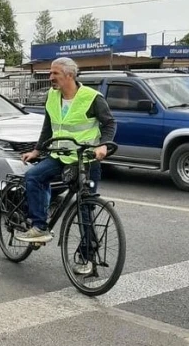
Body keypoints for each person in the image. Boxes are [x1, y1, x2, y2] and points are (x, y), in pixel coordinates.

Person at [17, 57, 116, 273]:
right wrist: (37, 150)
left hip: (86, 159)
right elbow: (48, 127)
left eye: (55, 74)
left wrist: (103, 146)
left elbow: (109, 124)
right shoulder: (52, 96)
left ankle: (87, 257)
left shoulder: (91, 98)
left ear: (69, 75)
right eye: (51, 73)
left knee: (85, 209)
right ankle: (39, 226)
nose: (50, 77)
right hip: (59, 155)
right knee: (34, 176)